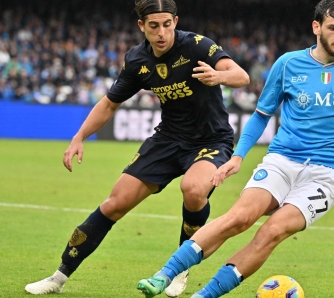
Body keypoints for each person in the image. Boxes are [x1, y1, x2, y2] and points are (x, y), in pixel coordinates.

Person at [135, 0, 334, 297]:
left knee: (270, 233)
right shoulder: (287, 64)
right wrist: (238, 156)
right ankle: (164, 275)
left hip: (327, 174)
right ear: (316, 27)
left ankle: (203, 295)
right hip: (281, 161)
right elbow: (261, 115)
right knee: (238, 218)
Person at [24, 0, 249, 296]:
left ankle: (180, 268)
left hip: (211, 141)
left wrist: (219, 76)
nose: (162, 33)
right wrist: (79, 137)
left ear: (175, 22)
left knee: (194, 190)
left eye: (167, 25)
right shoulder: (137, 60)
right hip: (167, 140)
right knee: (114, 203)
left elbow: (241, 76)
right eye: (154, 26)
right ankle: (58, 277)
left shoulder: (196, 45)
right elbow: (109, 103)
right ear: (141, 26)